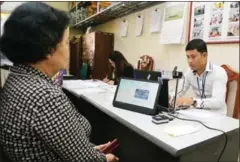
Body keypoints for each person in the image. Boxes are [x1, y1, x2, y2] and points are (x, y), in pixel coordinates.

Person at [0, 2, 118, 162]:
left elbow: (50, 143)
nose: (68, 49)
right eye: (66, 42)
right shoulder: (45, 97)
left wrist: (86, 149)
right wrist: (105, 159)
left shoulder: (16, 79)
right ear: (49, 49)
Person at [169, 39, 228, 115]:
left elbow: (218, 102)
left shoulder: (218, 72)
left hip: (216, 116)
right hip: (198, 113)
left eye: (193, 57)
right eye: (188, 57)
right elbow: (179, 92)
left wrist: (193, 101)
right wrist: (169, 97)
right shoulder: (188, 73)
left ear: (204, 55)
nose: (189, 61)